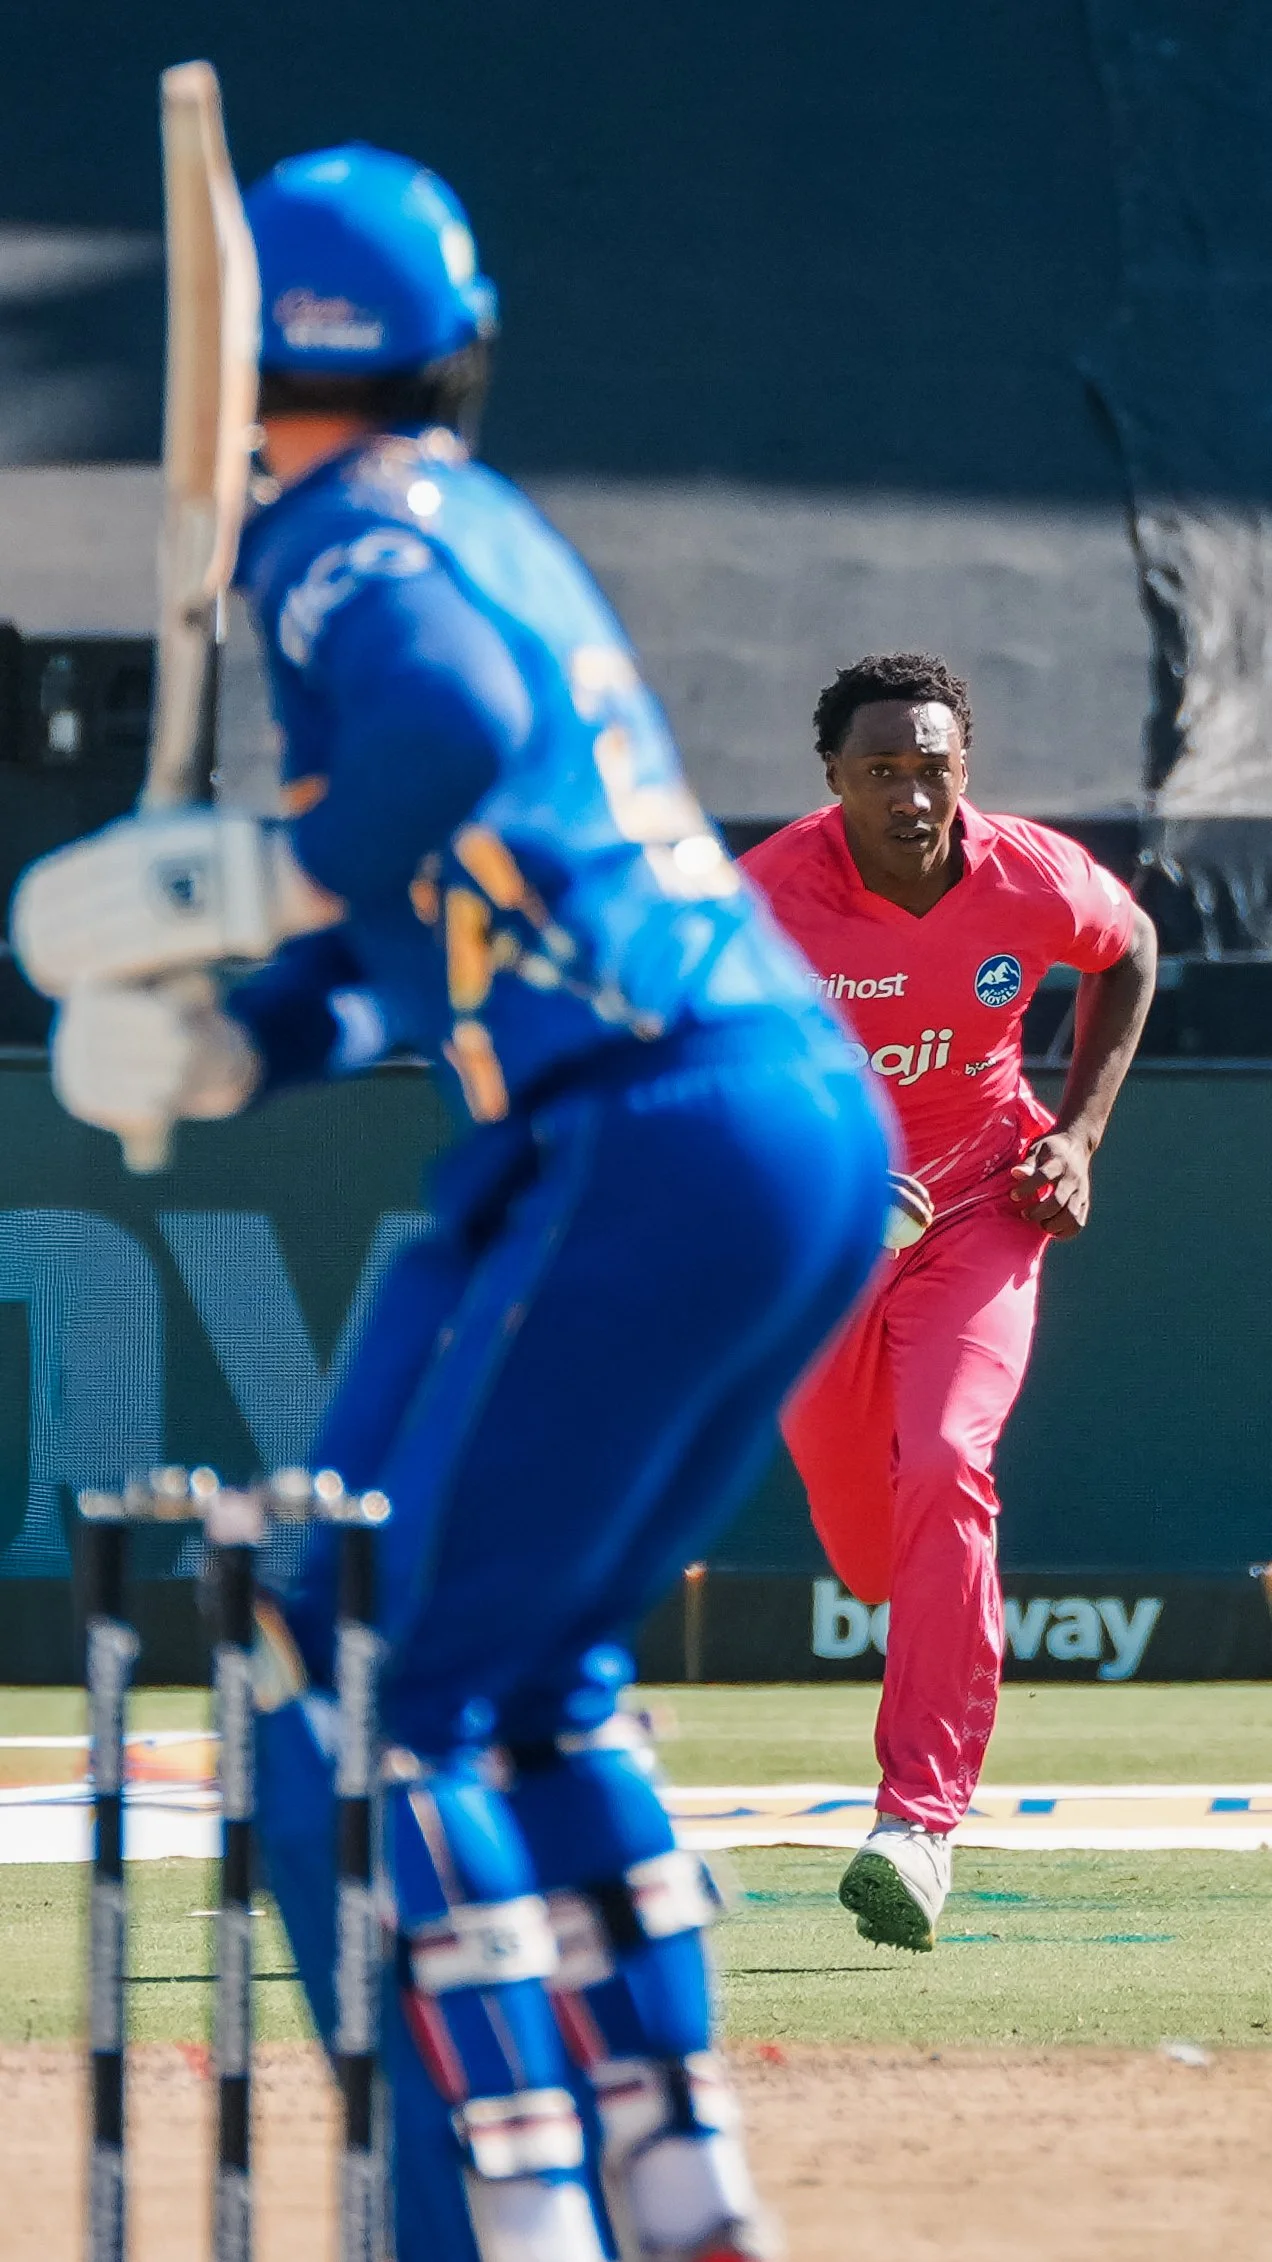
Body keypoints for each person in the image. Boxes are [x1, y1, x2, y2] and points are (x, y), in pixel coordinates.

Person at [12, 150, 889, 2262]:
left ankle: (495, 2211)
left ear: (267, 365)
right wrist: (246, 1036)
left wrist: (234, 881)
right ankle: (675, 2181)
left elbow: (449, 736)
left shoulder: (334, 543)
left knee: (366, 1675)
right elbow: (438, 887)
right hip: (743, 1115)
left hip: (643, 1124)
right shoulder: (467, 517)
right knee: (532, 1671)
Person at [742, 652, 1156, 1954]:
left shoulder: (1028, 874)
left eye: (932, 766)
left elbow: (1129, 948)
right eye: (881, 771)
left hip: (984, 1210)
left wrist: (1078, 1134)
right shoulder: (765, 900)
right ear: (835, 781)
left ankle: (918, 1824)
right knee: (873, 1549)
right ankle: (907, 1610)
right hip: (828, 1239)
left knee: (946, 1462)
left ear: (963, 766)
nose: (912, 795)